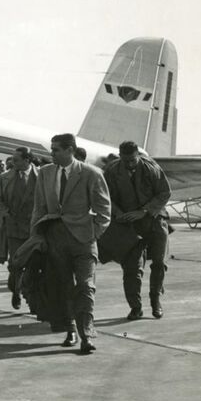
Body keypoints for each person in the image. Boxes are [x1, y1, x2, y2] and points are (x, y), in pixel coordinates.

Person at [31, 133, 111, 354]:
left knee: (85, 286)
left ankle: (87, 335)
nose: (52, 153)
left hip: (83, 240)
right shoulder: (45, 173)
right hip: (55, 239)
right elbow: (39, 207)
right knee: (63, 286)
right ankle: (71, 329)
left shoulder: (91, 173)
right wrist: (37, 236)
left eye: (56, 149)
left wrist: (92, 234)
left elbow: (104, 211)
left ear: (70, 150)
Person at [103, 141, 171, 319]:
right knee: (131, 268)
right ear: (120, 156)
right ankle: (135, 307)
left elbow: (164, 193)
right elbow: (105, 196)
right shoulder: (112, 171)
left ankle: (155, 300)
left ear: (138, 156)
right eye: (125, 160)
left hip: (154, 219)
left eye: (133, 160)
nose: (129, 164)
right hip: (129, 224)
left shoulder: (151, 168)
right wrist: (118, 213)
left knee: (159, 262)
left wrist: (144, 211)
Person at [0, 147, 38, 309]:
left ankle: (30, 297)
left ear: (27, 160)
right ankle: (15, 290)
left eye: (16, 160)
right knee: (15, 263)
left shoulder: (42, 177)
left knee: (33, 264)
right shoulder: (5, 177)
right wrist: (5, 212)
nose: (12, 162)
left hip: (34, 229)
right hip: (13, 228)